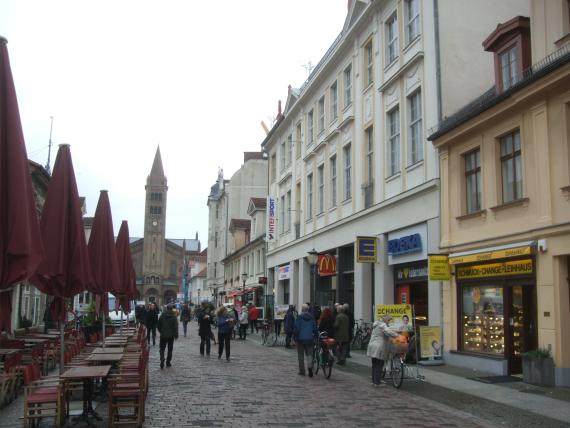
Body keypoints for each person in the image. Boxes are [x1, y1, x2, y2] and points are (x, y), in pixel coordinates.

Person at [367, 314, 399, 386]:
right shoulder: (383, 325)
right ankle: (377, 383)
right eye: (389, 320)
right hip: (379, 347)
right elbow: (389, 332)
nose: (389, 322)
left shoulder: (376, 324)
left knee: (374, 364)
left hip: (372, 345)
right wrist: (398, 336)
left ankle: (374, 381)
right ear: (386, 320)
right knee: (379, 364)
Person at [293, 304, 318, 377]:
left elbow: (296, 328)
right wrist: (315, 334)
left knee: (300, 355)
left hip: (300, 339)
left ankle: (302, 371)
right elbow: (314, 328)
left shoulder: (299, 318)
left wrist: (295, 337)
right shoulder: (311, 318)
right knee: (309, 354)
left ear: (302, 310)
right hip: (309, 339)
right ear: (308, 310)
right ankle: (310, 367)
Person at [157, 304, 179, 369]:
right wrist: (176, 335)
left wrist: (161, 331)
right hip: (170, 336)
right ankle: (168, 362)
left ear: (166, 308)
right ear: (172, 309)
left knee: (162, 348)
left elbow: (158, 325)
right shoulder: (174, 317)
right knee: (170, 349)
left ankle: (162, 357)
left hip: (163, 335)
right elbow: (175, 327)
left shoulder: (162, 315)